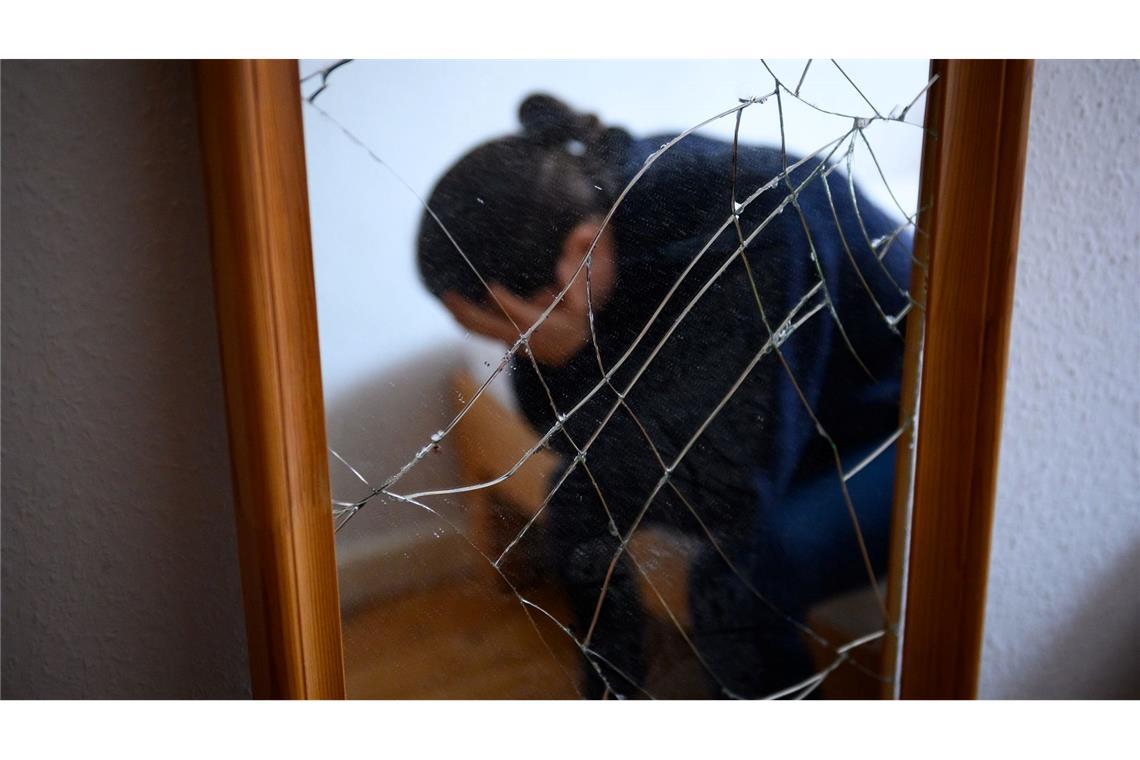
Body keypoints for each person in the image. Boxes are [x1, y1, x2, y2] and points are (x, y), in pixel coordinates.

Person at [417, 93, 911, 698]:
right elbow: (566, 438)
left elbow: (730, 489)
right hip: (799, 404)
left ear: (578, 250)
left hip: (901, 411)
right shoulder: (592, 209)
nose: (515, 350)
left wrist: (567, 354)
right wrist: (559, 352)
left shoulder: (752, 221)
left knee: (736, 576)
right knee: (576, 499)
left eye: (512, 331)